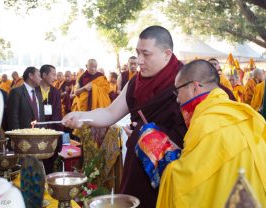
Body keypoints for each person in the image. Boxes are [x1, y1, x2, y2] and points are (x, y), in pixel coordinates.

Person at [63, 26, 187, 208]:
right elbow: (110, 112)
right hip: (139, 161)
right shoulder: (136, 82)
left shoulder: (185, 80)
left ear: (167, 54)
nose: (139, 61)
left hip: (175, 165)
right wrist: (82, 116)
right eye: (137, 54)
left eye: (146, 54)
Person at [156, 59, 266, 207]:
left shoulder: (206, 123)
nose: (177, 99)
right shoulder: (242, 113)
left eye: (178, 90)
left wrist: (159, 156)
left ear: (194, 88)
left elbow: (186, 183)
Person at [37, 64, 63, 174]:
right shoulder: (34, 90)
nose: (55, 78)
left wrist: (49, 129)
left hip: (50, 134)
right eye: (53, 75)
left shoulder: (56, 92)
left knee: (49, 165)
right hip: (35, 134)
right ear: (44, 75)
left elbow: (57, 113)